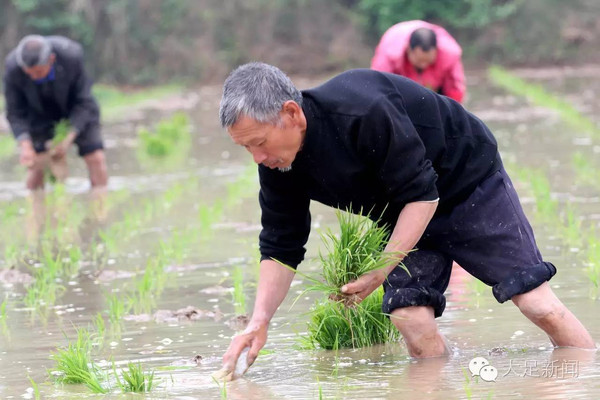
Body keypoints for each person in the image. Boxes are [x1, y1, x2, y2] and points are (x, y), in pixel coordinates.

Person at [217, 62, 595, 375]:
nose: (256, 157)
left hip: (467, 183)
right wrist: (259, 320)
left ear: (291, 113)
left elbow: (423, 195)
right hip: (405, 209)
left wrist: (381, 269)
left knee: (535, 302)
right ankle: (439, 384)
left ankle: (587, 378)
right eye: (245, 147)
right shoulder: (278, 166)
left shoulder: (361, 111)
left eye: (259, 142)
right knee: (409, 315)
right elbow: (281, 246)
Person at [3, 35, 108, 191]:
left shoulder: (71, 56)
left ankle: (100, 205)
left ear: (51, 60)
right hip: (37, 113)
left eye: (38, 72)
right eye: (28, 73)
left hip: (75, 108)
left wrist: (69, 135)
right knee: (36, 165)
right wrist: (25, 145)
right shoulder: (13, 67)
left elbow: (84, 100)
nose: (33, 77)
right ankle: (36, 210)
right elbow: (14, 111)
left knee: (95, 157)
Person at [371, 20, 466, 103]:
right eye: (419, 61)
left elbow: (455, 90)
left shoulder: (449, 53)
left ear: (436, 51)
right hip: (399, 85)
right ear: (409, 50)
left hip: (435, 86)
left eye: (428, 61)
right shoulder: (390, 52)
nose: (423, 65)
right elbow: (377, 87)